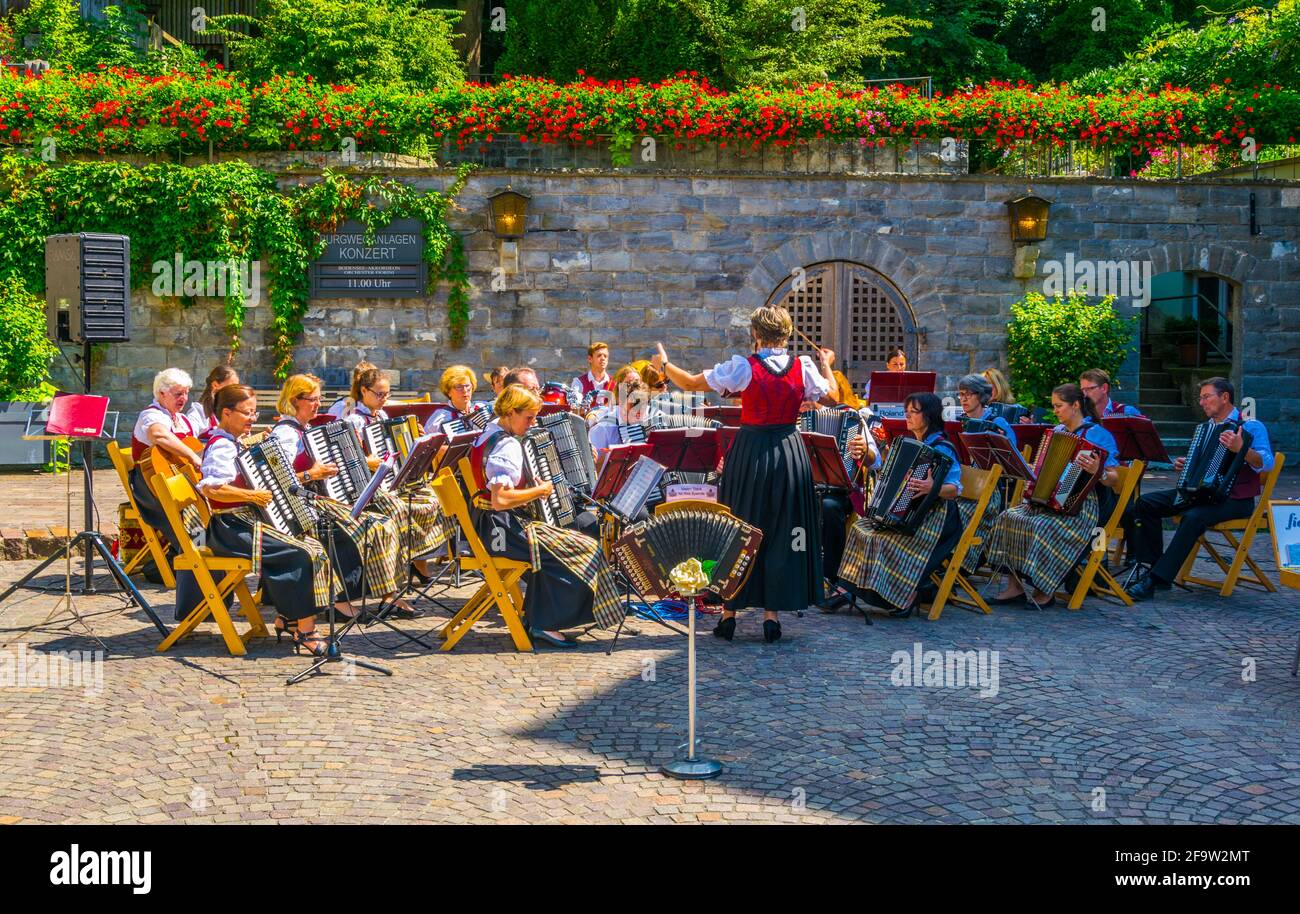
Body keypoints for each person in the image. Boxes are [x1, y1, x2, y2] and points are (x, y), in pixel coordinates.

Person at [653, 305, 832, 643]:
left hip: (750, 452)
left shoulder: (743, 367)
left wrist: (664, 364)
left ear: (755, 335)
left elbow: (691, 382)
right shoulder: (803, 366)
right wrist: (828, 366)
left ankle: (729, 613)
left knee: (739, 527)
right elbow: (833, 395)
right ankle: (771, 617)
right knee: (784, 530)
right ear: (787, 334)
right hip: (788, 452)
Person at [468, 384, 623, 648]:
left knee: (568, 540)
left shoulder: (489, 433)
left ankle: (540, 617)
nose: (531, 424)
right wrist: (540, 490)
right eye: (528, 418)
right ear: (510, 412)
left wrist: (529, 488)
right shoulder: (507, 446)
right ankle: (545, 622)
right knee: (581, 546)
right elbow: (500, 499)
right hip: (501, 531)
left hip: (487, 526)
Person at [197, 385, 332, 655]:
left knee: (311, 544)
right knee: (303, 552)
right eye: (247, 413)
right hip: (230, 527)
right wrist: (252, 495)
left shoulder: (232, 441)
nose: (252, 418)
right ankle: (305, 630)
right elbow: (210, 487)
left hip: (243, 522)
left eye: (254, 412)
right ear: (226, 413)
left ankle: (289, 619)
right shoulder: (221, 446)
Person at [269, 374, 412, 616]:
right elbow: (277, 479)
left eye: (318, 399)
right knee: (376, 525)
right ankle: (343, 599)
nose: (317, 404)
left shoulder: (305, 429)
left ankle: (384, 593)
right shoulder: (286, 434)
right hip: (301, 507)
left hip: (318, 499)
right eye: (312, 399)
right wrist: (311, 474)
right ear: (295, 400)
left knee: (383, 522)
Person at [1124, 377, 1274, 602]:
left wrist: (1242, 449)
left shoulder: (1250, 425)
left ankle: (1155, 581)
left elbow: (1268, 462)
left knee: (1192, 518)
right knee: (1146, 503)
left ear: (1224, 397)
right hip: (1201, 494)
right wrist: (1187, 466)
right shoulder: (1206, 428)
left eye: (1206, 397)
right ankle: (1155, 566)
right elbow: (1202, 463)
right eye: (1200, 398)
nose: (1201, 402)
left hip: (1234, 499)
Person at [983, 383, 1122, 608]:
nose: (1055, 411)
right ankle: (1015, 587)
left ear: (1075, 405)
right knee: (1007, 517)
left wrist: (1098, 470)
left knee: (1042, 526)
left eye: (1059, 406)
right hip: (1049, 501)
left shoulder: (1097, 434)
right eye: (1054, 406)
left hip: (1082, 506)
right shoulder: (1056, 432)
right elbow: (1044, 467)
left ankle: (1044, 589)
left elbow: (1114, 479)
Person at [837, 392, 964, 616]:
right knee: (862, 528)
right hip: (915, 514)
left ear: (929, 415)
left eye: (914, 411)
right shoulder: (918, 444)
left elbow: (954, 489)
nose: (908, 415)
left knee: (887, 540)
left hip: (938, 519)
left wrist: (931, 489)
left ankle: (906, 595)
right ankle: (846, 589)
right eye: (907, 411)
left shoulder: (943, 448)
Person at [341, 367, 452, 576]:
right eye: (379, 394)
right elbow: (348, 461)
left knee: (437, 498)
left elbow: (398, 448)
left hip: (392, 480)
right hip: (370, 486)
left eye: (387, 394)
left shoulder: (381, 415)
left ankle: (418, 557)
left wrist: (417, 436)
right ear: (364, 391)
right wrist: (368, 462)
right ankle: (400, 567)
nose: (384, 399)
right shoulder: (353, 421)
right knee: (400, 509)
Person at [129, 368, 204, 620]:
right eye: (177, 393)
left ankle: (192, 563)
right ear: (161, 393)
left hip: (178, 483)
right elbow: (159, 436)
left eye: (185, 393)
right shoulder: (150, 415)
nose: (183, 398)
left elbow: (196, 444)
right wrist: (191, 456)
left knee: (209, 511)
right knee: (195, 524)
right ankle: (197, 569)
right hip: (151, 487)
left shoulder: (182, 419)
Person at [424, 365, 486, 435]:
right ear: (448, 392)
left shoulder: (483, 408)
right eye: (459, 387)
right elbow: (430, 444)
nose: (465, 390)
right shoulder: (439, 418)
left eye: (467, 385)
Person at [185, 364, 239, 437]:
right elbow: (188, 438)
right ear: (215, 385)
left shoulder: (228, 411)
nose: (234, 392)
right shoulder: (200, 411)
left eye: (236, 388)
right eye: (231, 387)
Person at [955, 374, 1014, 439]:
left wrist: (1002, 442)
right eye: (961, 394)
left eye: (968, 394)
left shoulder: (998, 422)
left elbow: (1012, 448)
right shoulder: (958, 423)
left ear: (981, 395)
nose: (963, 399)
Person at [571, 342, 615, 407]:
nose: (603, 358)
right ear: (590, 359)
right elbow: (574, 409)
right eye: (599, 355)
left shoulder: (615, 383)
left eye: (605, 356)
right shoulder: (578, 383)